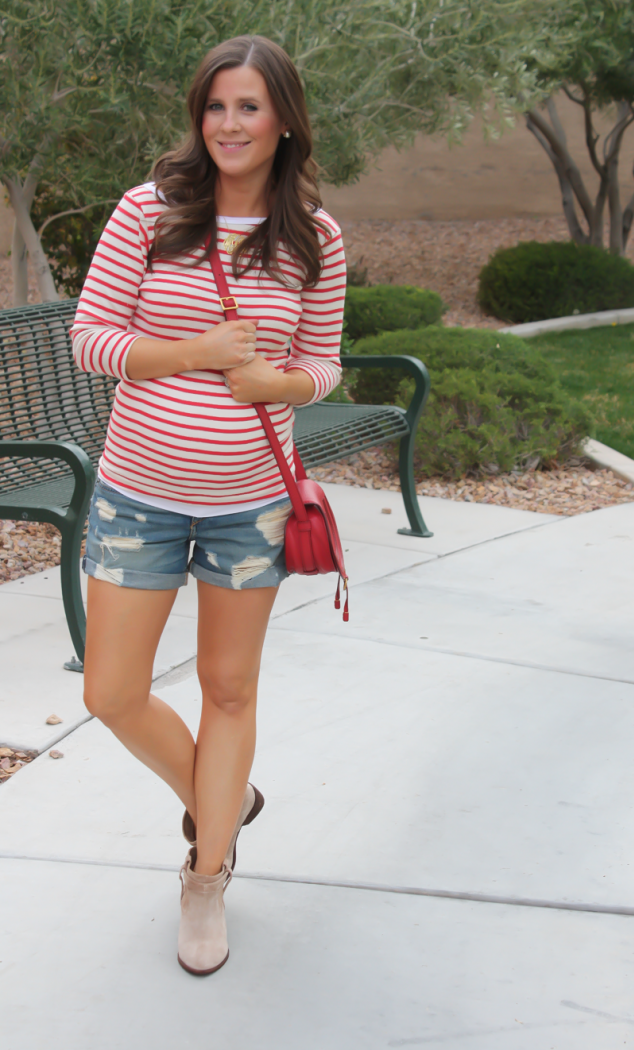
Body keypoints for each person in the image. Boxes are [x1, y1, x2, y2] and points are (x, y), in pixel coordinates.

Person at [71, 35, 346, 976]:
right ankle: (226, 798)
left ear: (283, 121)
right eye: (215, 106)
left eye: (249, 107)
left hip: (251, 507)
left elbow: (325, 361)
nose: (229, 124)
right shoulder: (149, 211)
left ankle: (206, 870)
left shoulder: (316, 234)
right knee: (109, 691)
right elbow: (91, 340)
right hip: (138, 494)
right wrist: (194, 352)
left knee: (229, 689)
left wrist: (285, 383)